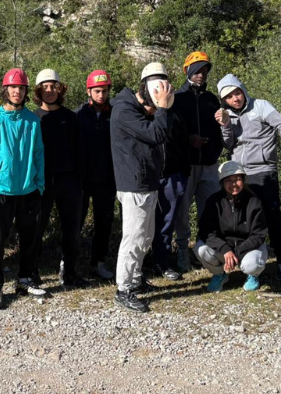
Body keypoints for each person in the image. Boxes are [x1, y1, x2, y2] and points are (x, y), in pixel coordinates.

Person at [215, 74, 281, 282]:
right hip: (239, 173)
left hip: (263, 170)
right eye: (229, 96)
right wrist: (225, 125)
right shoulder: (226, 115)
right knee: (241, 218)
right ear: (224, 100)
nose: (235, 98)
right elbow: (229, 145)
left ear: (243, 90)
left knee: (271, 215)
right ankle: (249, 265)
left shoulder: (261, 106)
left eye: (237, 93)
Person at [110, 63, 175, 313]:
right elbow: (157, 134)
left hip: (147, 181)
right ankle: (123, 289)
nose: (161, 92)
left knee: (146, 236)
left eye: (164, 87)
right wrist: (162, 108)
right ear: (145, 87)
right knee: (134, 237)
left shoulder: (137, 109)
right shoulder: (125, 111)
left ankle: (135, 281)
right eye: (156, 87)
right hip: (134, 183)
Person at [0, 68, 47, 309]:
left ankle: (25, 278)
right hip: (3, 191)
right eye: (13, 87)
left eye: (21, 88)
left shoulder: (32, 120)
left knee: (29, 238)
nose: (17, 91)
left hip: (29, 189)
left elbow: (38, 153)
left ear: (26, 91)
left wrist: (39, 183)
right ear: (5, 90)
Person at [33, 69, 91, 289]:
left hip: (69, 182)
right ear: (38, 90)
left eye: (53, 86)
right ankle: (32, 272)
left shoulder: (71, 117)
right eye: (45, 87)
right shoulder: (33, 118)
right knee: (37, 228)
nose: (49, 90)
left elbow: (80, 151)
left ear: (60, 89)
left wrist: (80, 180)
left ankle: (69, 273)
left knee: (71, 229)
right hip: (42, 182)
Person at [172, 51, 223, 273]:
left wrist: (215, 150)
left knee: (210, 210)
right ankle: (183, 250)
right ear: (187, 71)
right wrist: (187, 140)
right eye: (197, 70)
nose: (201, 74)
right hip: (186, 164)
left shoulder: (212, 99)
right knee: (182, 210)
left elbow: (222, 129)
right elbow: (170, 131)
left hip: (209, 164)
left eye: (204, 70)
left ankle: (204, 251)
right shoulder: (176, 98)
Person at [194, 162, 269, 293]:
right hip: (225, 250)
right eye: (228, 180)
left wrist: (238, 252)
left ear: (243, 180)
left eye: (237, 179)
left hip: (248, 248)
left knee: (253, 265)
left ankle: (253, 275)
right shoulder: (213, 202)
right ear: (222, 183)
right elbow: (206, 232)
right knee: (200, 249)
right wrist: (225, 249)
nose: (233, 184)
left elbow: (258, 234)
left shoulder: (254, 202)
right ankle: (220, 274)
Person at [149, 63, 190, 280]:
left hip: (172, 176)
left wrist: (183, 174)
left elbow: (183, 145)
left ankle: (162, 263)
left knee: (166, 223)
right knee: (144, 224)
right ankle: (141, 264)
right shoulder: (141, 113)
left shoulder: (176, 115)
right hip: (147, 178)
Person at [77, 70, 117, 282]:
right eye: (97, 91)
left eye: (105, 90)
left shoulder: (115, 114)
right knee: (76, 223)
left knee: (104, 223)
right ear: (89, 91)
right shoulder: (78, 115)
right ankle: (69, 264)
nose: (101, 95)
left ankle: (98, 263)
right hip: (83, 180)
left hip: (107, 180)